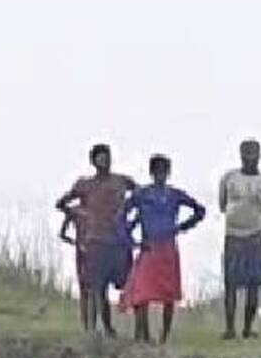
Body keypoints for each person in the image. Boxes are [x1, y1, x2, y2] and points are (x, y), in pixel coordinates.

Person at [121, 154, 206, 343]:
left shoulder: (174, 194)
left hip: (167, 247)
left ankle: (164, 337)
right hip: (148, 246)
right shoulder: (142, 194)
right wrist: (130, 239)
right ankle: (143, 334)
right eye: (157, 172)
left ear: (168, 173)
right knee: (141, 293)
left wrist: (182, 227)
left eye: (164, 172)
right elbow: (121, 217)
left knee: (169, 294)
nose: (161, 175)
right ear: (152, 173)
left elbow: (200, 210)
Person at [55, 144, 135, 336]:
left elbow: (142, 197)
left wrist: (132, 219)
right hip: (96, 241)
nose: (105, 162)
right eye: (100, 158)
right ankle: (104, 327)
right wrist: (79, 215)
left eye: (107, 157)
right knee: (99, 287)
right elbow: (61, 203)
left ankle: (140, 329)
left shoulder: (122, 181)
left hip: (119, 241)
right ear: (93, 162)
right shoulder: (85, 185)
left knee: (129, 282)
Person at [217, 139, 261, 338]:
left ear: (259, 156)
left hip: (255, 236)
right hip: (233, 235)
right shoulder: (229, 178)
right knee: (231, 283)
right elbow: (222, 205)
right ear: (240, 155)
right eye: (246, 154)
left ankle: (248, 328)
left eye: (253, 155)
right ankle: (229, 328)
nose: (249, 159)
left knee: (253, 284)